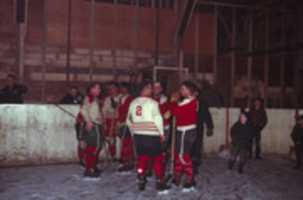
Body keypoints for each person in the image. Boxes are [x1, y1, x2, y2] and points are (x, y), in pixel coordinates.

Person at [126, 80, 169, 193]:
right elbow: (158, 119)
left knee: (142, 158)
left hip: (138, 136)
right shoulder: (152, 103)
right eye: (150, 88)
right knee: (158, 159)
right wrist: (161, 134)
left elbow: (128, 120)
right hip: (151, 135)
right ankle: (160, 181)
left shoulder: (133, 102)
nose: (152, 90)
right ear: (144, 89)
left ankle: (141, 177)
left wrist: (133, 132)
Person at [170, 81, 199, 192]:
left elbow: (177, 112)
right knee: (179, 155)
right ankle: (177, 175)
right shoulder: (187, 101)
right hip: (182, 131)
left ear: (189, 90)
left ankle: (189, 179)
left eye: (183, 89)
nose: (181, 91)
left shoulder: (191, 102)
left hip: (186, 132)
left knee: (184, 156)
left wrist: (173, 102)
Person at [78, 83, 103, 178]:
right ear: (91, 89)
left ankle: (92, 166)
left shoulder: (94, 98)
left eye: (99, 88)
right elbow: (83, 110)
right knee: (94, 147)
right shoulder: (90, 98)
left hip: (96, 125)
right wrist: (88, 121)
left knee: (94, 147)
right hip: (93, 126)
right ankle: (90, 168)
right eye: (97, 88)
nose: (99, 90)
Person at [192, 88, 214, 175]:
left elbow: (207, 115)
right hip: (187, 128)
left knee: (197, 146)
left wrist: (210, 127)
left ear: (197, 94)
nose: (193, 94)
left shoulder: (202, 103)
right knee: (189, 147)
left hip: (198, 128)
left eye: (195, 93)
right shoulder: (185, 101)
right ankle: (188, 165)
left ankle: (195, 166)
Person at [117, 82, 134, 172]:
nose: (122, 90)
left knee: (127, 143)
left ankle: (128, 161)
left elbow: (128, 112)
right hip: (121, 123)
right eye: (121, 88)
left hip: (127, 123)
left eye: (124, 88)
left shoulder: (130, 99)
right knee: (124, 143)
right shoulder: (120, 98)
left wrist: (123, 120)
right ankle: (124, 160)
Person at [102, 82, 121, 161]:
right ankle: (112, 155)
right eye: (110, 88)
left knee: (120, 138)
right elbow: (104, 111)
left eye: (113, 88)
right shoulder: (107, 99)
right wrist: (104, 120)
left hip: (119, 120)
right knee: (110, 139)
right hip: (109, 121)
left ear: (117, 88)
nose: (112, 90)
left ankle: (121, 156)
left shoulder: (120, 97)